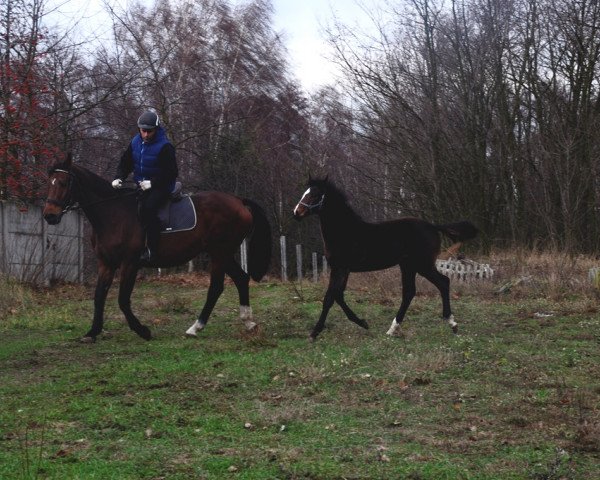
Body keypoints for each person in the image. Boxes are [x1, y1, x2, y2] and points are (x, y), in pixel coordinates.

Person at [112, 110, 178, 263]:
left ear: (156, 129)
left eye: (150, 131)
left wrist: (152, 183)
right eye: (143, 131)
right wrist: (119, 177)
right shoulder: (135, 142)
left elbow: (172, 172)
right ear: (139, 129)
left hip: (162, 186)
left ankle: (152, 251)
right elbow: (126, 162)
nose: (146, 134)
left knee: (147, 209)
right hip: (141, 185)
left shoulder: (165, 146)